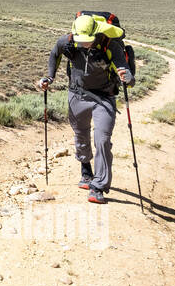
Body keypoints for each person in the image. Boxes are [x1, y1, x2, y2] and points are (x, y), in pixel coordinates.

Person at [36, 14, 135, 204]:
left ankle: (98, 186)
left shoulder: (110, 46)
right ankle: (86, 170)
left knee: (103, 140)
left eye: (87, 41)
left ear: (95, 33)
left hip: (104, 98)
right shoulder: (68, 42)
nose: (83, 44)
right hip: (77, 95)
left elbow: (127, 73)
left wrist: (127, 77)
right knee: (81, 135)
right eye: (81, 41)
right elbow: (54, 54)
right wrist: (49, 77)